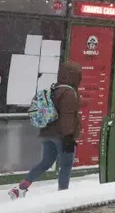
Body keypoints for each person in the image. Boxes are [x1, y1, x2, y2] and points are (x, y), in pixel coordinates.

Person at [8, 62, 81, 200]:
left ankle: (22, 187)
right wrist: (68, 137)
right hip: (62, 135)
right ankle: (63, 195)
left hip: (48, 133)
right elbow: (67, 117)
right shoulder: (69, 93)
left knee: (45, 162)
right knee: (66, 165)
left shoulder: (55, 89)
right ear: (74, 76)